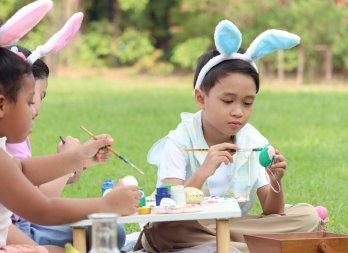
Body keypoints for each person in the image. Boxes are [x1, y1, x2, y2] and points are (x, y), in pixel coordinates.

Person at [134, 20, 321, 253]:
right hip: (183, 226)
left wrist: (275, 181)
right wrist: (204, 171)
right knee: (165, 230)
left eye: (248, 102)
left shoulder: (253, 141)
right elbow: (168, 207)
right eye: (227, 101)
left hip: (230, 227)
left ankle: (230, 247)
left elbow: (272, 212)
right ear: (201, 98)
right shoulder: (180, 140)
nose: (238, 112)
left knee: (307, 216)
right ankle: (250, 247)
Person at [0, 14, 139, 253]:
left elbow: (23, 170)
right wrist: (105, 205)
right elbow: (43, 210)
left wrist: (78, 155)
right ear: (0, 106)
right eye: (29, 103)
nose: (34, 112)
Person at [5, 45, 127, 250]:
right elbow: (40, 202)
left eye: (37, 98)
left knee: (112, 232)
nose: (36, 108)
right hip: (15, 229)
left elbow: (33, 184)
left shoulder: (15, 136)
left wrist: (79, 161)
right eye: (33, 97)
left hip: (24, 223)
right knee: (105, 232)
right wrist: (71, 159)